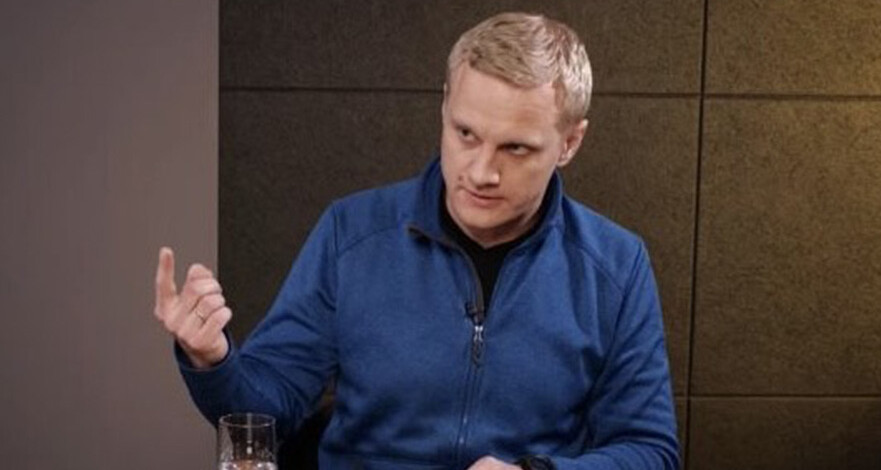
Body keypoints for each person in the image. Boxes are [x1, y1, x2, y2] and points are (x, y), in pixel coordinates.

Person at [154, 12, 680, 470]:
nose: (481, 172)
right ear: (445, 107)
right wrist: (212, 359)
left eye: (516, 149)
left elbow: (650, 451)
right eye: (465, 133)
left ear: (570, 142)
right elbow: (265, 413)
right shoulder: (350, 233)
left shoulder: (617, 266)